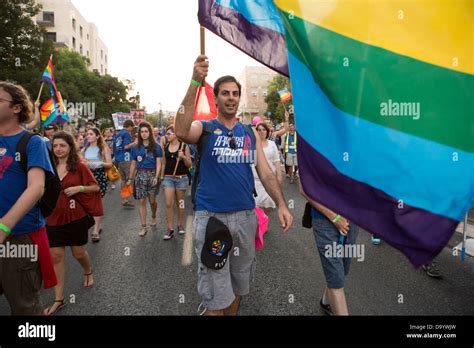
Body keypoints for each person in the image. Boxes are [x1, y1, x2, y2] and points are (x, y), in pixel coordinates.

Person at [174, 55, 293, 316]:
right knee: (216, 301)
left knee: (238, 288)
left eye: (235, 94)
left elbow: (265, 172)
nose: (231, 98)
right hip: (212, 218)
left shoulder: (249, 133)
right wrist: (195, 80)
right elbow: (181, 130)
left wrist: (282, 204)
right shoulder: (204, 128)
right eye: (225, 93)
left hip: (246, 218)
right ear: (215, 98)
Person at [0, 81, 56, 315]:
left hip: (18, 237)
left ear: (16, 108)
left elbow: (36, 188)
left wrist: (4, 227)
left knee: (24, 307)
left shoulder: (32, 142)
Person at [43, 131, 103, 315]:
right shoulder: (47, 166)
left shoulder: (80, 167)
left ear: (70, 147)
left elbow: (95, 187)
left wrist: (79, 187)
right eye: (55, 146)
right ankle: (58, 299)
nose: (58, 149)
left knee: (78, 253)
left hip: (75, 217)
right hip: (52, 218)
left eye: (63, 145)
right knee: (56, 257)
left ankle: (87, 271)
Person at [300, 183, 359, 316]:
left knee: (342, 269)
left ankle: (326, 302)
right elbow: (304, 188)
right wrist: (335, 217)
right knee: (336, 276)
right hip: (325, 220)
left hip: (353, 220)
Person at [128, 121, 163, 237]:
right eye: (141, 132)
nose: (143, 134)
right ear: (139, 133)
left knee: (152, 201)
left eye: (146, 131)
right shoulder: (135, 147)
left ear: (150, 132)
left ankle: (153, 216)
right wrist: (130, 178)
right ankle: (143, 226)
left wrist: (157, 177)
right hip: (140, 175)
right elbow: (133, 164)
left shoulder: (156, 147)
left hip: (152, 175)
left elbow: (159, 163)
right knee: (142, 201)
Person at [160, 125, 192, 240]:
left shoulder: (184, 146)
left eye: (169, 134)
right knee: (169, 203)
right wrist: (161, 177)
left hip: (181, 178)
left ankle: (179, 224)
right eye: (167, 134)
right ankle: (170, 228)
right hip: (168, 178)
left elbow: (189, 164)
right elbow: (163, 162)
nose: (167, 136)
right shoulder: (166, 146)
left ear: (176, 134)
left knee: (180, 203)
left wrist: (183, 156)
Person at [82, 127, 112, 241]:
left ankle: (95, 230)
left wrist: (99, 163)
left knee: (96, 202)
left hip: (99, 177)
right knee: (89, 203)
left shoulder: (103, 148)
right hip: (87, 177)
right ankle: (98, 225)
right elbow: (80, 161)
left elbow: (109, 164)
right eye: (87, 134)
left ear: (97, 136)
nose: (88, 136)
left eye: (91, 134)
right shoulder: (85, 148)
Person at [253, 122, 282, 215]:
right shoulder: (252, 144)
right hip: (255, 181)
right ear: (256, 132)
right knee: (255, 205)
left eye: (264, 130)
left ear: (267, 132)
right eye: (259, 130)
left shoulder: (272, 144)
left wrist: (279, 178)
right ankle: (259, 223)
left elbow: (277, 161)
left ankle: (264, 220)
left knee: (269, 205)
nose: (262, 132)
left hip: (269, 181)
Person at [114, 120, 135, 207]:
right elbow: (126, 146)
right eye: (132, 128)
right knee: (129, 178)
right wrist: (135, 142)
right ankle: (126, 199)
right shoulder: (126, 133)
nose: (132, 130)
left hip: (119, 159)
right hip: (126, 158)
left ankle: (124, 198)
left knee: (123, 180)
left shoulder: (118, 134)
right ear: (129, 126)